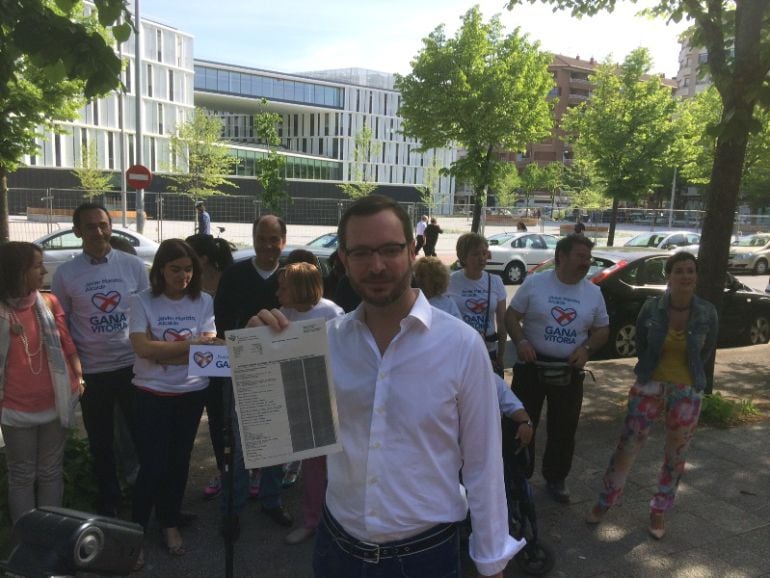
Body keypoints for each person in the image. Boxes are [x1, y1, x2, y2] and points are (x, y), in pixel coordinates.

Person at [249, 195, 522, 578]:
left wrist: (492, 560)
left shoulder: (461, 345)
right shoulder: (326, 341)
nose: (376, 266)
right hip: (337, 550)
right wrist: (259, 362)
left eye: (390, 250)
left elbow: (483, 462)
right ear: (343, 260)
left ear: (413, 250)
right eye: (361, 253)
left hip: (424, 557)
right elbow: (288, 439)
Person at [586, 252, 717, 539]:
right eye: (679, 270)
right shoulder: (651, 308)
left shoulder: (707, 312)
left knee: (676, 455)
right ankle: (605, 500)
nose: (686, 276)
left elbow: (706, 353)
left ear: (696, 276)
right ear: (668, 276)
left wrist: (690, 381)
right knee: (627, 447)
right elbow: (642, 345)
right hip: (650, 384)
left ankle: (659, 509)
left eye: (690, 270)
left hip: (686, 390)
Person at [52, 202, 149, 517]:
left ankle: (145, 499)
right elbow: (62, 325)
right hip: (93, 372)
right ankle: (110, 502)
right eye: (90, 226)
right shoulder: (66, 274)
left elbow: (149, 313)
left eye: (103, 224)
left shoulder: (133, 266)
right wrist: (73, 368)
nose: (98, 232)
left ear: (111, 226)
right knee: (101, 442)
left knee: (141, 437)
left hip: (134, 367)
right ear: (78, 231)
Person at [128, 239, 218, 562]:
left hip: (191, 394)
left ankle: (169, 522)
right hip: (151, 394)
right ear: (161, 270)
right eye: (175, 269)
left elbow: (206, 348)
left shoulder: (203, 300)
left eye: (189, 269)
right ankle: (134, 532)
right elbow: (142, 348)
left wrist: (162, 351)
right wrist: (187, 348)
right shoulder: (142, 301)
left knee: (179, 462)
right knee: (152, 465)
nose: (183, 276)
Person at [504, 234, 609, 504]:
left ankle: (556, 478)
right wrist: (521, 341)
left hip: (568, 371)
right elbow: (511, 317)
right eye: (580, 256)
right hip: (531, 366)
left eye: (588, 258)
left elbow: (602, 331)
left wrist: (586, 350)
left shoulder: (593, 292)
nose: (586, 263)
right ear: (561, 256)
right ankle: (517, 476)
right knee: (521, 422)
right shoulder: (536, 283)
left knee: (564, 428)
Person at [214, 215, 293, 533]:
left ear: (283, 241)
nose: (268, 245)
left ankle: (271, 501)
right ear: (253, 237)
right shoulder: (235, 274)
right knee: (237, 440)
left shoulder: (292, 275)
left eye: (274, 238)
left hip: (282, 367)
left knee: (279, 439)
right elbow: (220, 321)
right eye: (262, 237)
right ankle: (232, 507)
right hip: (242, 369)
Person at [0, 242, 82, 523]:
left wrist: (78, 377)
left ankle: (50, 533)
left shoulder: (48, 302)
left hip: (56, 401)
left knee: (51, 471)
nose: (44, 271)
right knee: (22, 475)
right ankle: (27, 541)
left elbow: (66, 342)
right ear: (17, 271)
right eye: (37, 266)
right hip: (14, 408)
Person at [276, 262, 344, 546]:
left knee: (340, 466)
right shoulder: (281, 315)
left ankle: (341, 522)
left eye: (283, 287)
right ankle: (312, 520)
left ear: (299, 288)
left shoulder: (332, 312)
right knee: (313, 468)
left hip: (333, 399)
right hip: (301, 399)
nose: (277, 292)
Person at [185, 233, 236, 499]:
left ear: (202, 258)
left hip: (230, 357)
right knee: (215, 417)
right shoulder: (189, 285)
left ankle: (243, 471)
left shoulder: (231, 279)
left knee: (235, 417)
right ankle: (222, 469)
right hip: (203, 360)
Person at [448, 233, 507, 376]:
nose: (481, 258)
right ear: (462, 257)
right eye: (475, 254)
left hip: (489, 350)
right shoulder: (451, 281)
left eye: (484, 253)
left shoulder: (496, 281)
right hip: (460, 352)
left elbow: (502, 322)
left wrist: (500, 355)